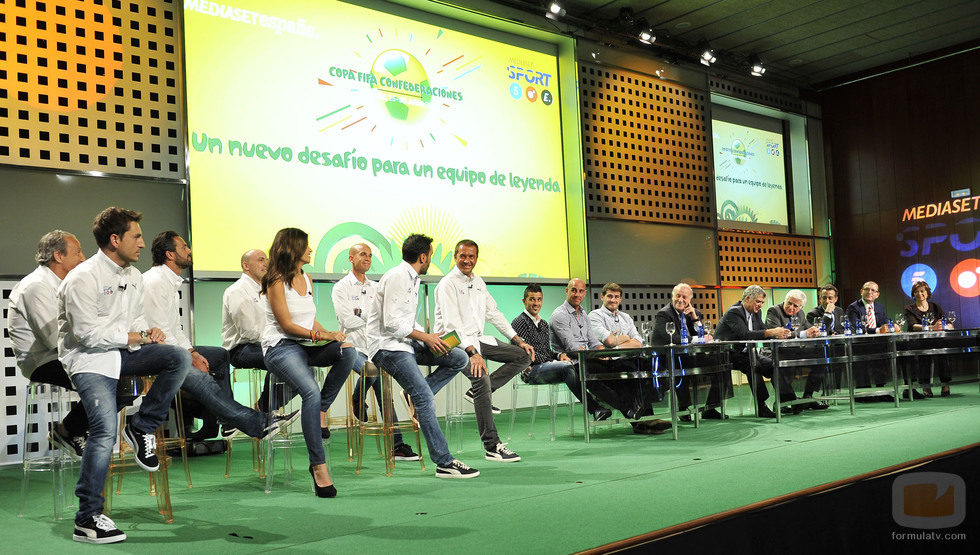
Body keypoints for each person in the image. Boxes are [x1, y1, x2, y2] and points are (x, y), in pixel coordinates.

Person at [58, 207, 190, 543]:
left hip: (122, 355)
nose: (143, 244)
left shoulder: (133, 276)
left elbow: (134, 323)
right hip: (88, 360)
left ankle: (141, 426)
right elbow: (86, 335)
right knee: (103, 429)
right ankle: (87, 518)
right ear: (115, 240)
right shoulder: (82, 277)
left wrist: (149, 332)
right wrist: (134, 336)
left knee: (177, 356)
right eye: (136, 236)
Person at [143, 232, 290, 441]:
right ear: (170, 254)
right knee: (282, 358)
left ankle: (226, 421)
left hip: (170, 347)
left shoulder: (170, 283)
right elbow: (160, 332)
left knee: (219, 356)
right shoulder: (155, 281)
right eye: (184, 247)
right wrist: (189, 356)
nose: (189, 251)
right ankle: (252, 420)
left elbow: (175, 328)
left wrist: (192, 351)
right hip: (156, 351)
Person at [368, 234, 480, 478]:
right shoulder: (398, 276)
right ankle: (444, 462)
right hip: (388, 347)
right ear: (423, 257)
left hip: (405, 343)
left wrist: (431, 336)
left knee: (458, 358)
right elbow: (391, 324)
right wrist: (425, 338)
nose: (430, 258)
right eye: (430, 254)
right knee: (425, 398)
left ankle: (413, 394)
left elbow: (406, 320)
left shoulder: (411, 278)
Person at [261, 228, 358, 497]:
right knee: (310, 391)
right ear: (293, 248)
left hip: (306, 344)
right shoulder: (275, 280)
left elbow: (309, 320)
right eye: (306, 245)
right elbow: (287, 325)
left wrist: (330, 336)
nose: (311, 249)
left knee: (348, 351)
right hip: (281, 346)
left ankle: (320, 411)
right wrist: (321, 335)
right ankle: (318, 466)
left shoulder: (308, 277)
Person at [433, 239, 532, 462]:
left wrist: (517, 339)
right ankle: (492, 446)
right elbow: (451, 325)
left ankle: (480, 392)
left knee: (524, 355)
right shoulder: (447, 284)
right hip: (453, 342)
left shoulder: (479, 283)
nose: (467, 260)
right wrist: (472, 352)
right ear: (455, 257)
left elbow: (494, 313)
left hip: (477, 339)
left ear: (476, 258)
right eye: (463, 256)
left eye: (472, 256)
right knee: (481, 378)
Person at [331, 243, 419, 461]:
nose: (367, 258)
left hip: (375, 346)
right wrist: (368, 317)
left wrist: (362, 315)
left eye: (370, 255)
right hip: (352, 347)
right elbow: (346, 320)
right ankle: (359, 399)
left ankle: (395, 444)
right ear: (351, 258)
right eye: (362, 254)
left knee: (382, 387)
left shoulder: (377, 286)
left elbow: (384, 318)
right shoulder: (341, 287)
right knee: (373, 373)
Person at [7, 230, 90, 457]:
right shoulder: (36, 286)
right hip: (44, 362)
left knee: (123, 380)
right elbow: (54, 339)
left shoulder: (64, 285)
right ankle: (68, 431)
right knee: (109, 381)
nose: (84, 258)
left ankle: (71, 429)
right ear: (58, 256)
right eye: (78, 252)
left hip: (65, 356)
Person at [550, 278, 669, 434]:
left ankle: (643, 418)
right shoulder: (562, 315)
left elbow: (595, 342)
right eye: (573, 290)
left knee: (638, 367)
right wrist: (614, 345)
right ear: (567, 291)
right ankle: (633, 414)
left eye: (580, 291)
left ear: (585, 293)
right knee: (616, 371)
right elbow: (574, 347)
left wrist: (602, 352)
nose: (577, 294)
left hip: (593, 356)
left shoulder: (583, 314)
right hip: (573, 361)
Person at [510, 284, 611, 421]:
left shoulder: (543, 324)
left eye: (539, 299)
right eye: (532, 299)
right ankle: (595, 408)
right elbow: (527, 354)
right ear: (524, 301)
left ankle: (602, 405)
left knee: (575, 366)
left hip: (547, 366)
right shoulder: (518, 322)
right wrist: (552, 360)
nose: (536, 303)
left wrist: (558, 355)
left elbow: (547, 351)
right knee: (567, 368)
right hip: (530, 370)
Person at [651, 283, 730, 420]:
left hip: (689, 356)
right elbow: (671, 338)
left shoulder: (694, 313)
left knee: (722, 363)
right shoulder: (664, 314)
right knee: (681, 365)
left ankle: (710, 407)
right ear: (672, 297)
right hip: (668, 358)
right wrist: (698, 339)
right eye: (678, 296)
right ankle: (683, 408)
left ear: (689, 300)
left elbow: (703, 334)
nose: (680, 299)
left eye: (684, 297)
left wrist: (694, 318)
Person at [713, 285, 795, 418]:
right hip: (727, 354)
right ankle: (761, 406)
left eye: (762, 303)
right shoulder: (734, 312)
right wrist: (770, 332)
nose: (760, 305)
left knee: (774, 364)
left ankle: (788, 400)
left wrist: (778, 334)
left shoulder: (757, 313)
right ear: (747, 299)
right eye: (758, 302)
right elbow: (745, 334)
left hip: (747, 354)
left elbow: (762, 329)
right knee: (754, 365)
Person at [765, 290, 828, 410]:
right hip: (776, 351)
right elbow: (777, 334)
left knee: (822, 357)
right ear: (785, 299)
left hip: (795, 351)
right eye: (789, 303)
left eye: (795, 306)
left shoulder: (801, 314)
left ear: (801, 307)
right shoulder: (774, 311)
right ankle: (787, 400)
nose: (791, 307)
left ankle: (808, 396)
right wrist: (804, 334)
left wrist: (815, 331)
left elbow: (809, 329)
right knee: (781, 362)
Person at [903, 281, 951, 397]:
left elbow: (946, 321)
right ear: (913, 294)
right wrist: (931, 327)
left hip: (936, 339)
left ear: (927, 293)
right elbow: (912, 326)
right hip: (919, 340)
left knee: (942, 352)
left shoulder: (935, 306)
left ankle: (945, 384)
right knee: (924, 356)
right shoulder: (910, 308)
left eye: (922, 291)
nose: (919, 294)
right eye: (916, 292)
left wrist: (948, 325)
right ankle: (926, 386)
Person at [844, 281, 891, 391]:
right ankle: (863, 393)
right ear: (861, 292)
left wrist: (891, 327)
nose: (870, 292)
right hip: (861, 344)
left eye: (873, 290)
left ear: (877, 294)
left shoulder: (880, 307)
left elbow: (884, 323)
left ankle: (881, 391)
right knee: (862, 367)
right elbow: (856, 328)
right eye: (867, 289)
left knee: (883, 356)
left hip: (878, 343)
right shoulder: (853, 307)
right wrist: (878, 330)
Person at [588, 283, 643, 349]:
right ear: (602, 297)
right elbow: (610, 341)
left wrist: (615, 350)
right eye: (609, 296)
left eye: (616, 297)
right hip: (607, 359)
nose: (613, 300)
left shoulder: (626, 317)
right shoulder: (595, 315)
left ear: (620, 299)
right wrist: (627, 337)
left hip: (629, 358)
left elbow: (639, 343)